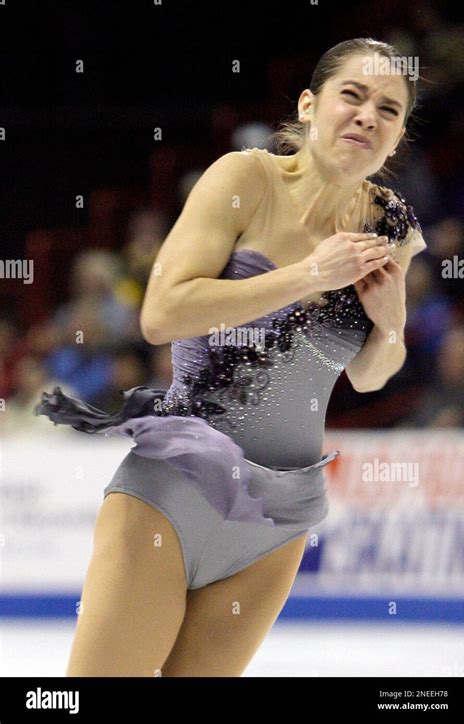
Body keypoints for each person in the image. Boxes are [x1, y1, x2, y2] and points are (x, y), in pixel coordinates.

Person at [35, 38, 427, 677]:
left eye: (387, 108)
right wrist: (307, 274)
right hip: (171, 491)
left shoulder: (392, 227)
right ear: (309, 105)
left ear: (398, 135)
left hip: (278, 520)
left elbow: (371, 371)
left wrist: (390, 328)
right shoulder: (244, 178)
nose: (366, 116)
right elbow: (161, 314)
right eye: (351, 96)